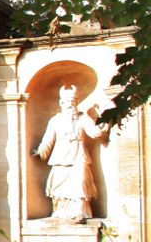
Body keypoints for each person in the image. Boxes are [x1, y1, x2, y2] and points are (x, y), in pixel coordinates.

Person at [32, 84, 104, 223]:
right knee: (59, 185)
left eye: (73, 102)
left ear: (76, 102)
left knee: (81, 181)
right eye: (67, 102)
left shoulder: (83, 118)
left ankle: (79, 212)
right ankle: (62, 211)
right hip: (60, 156)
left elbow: (94, 132)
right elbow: (48, 140)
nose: (70, 105)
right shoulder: (55, 120)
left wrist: (102, 125)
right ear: (61, 103)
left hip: (79, 156)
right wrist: (40, 151)